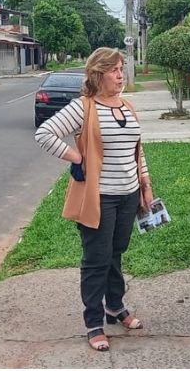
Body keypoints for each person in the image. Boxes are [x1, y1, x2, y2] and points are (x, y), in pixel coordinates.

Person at [35, 47, 153, 352]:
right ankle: (94, 322)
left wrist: (145, 183)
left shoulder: (127, 106)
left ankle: (115, 307)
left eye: (121, 68)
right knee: (96, 260)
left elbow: (137, 150)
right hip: (99, 197)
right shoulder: (84, 107)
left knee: (116, 252)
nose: (120, 75)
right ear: (98, 74)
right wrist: (77, 156)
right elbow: (45, 133)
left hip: (128, 195)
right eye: (114, 70)